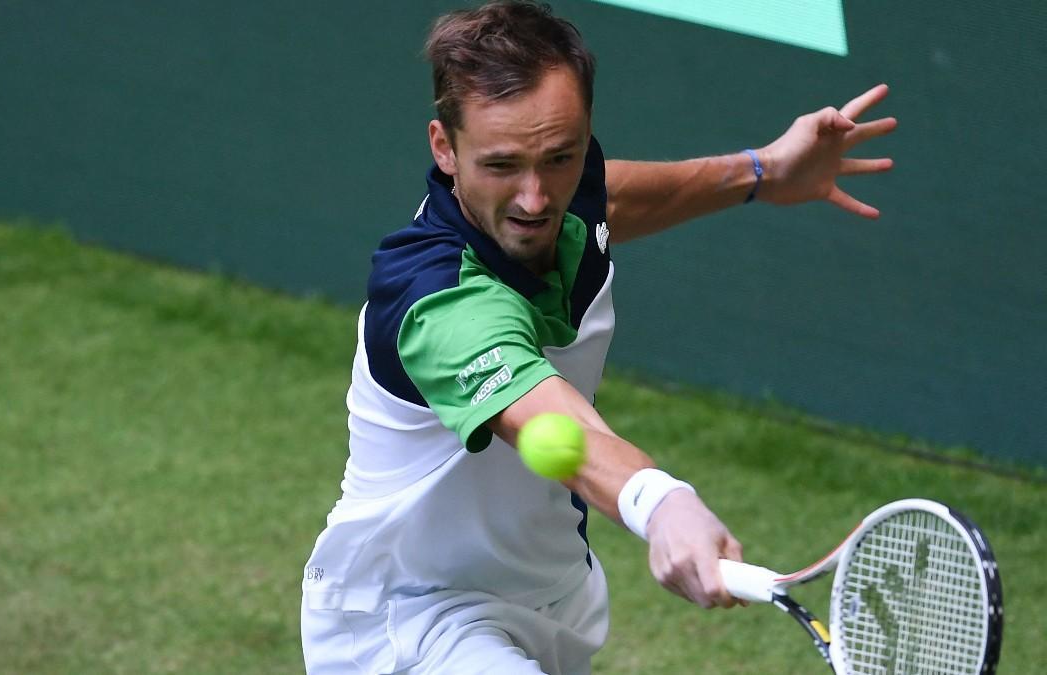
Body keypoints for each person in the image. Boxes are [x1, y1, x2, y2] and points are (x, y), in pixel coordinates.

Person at [301, 2, 896, 672]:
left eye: (560, 156)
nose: (535, 197)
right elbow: (547, 416)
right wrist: (661, 499)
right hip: (408, 618)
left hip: (549, 596)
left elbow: (609, 199)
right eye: (501, 165)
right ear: (445, 147)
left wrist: (760, 172)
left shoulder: (566, 187)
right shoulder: (437, 299)